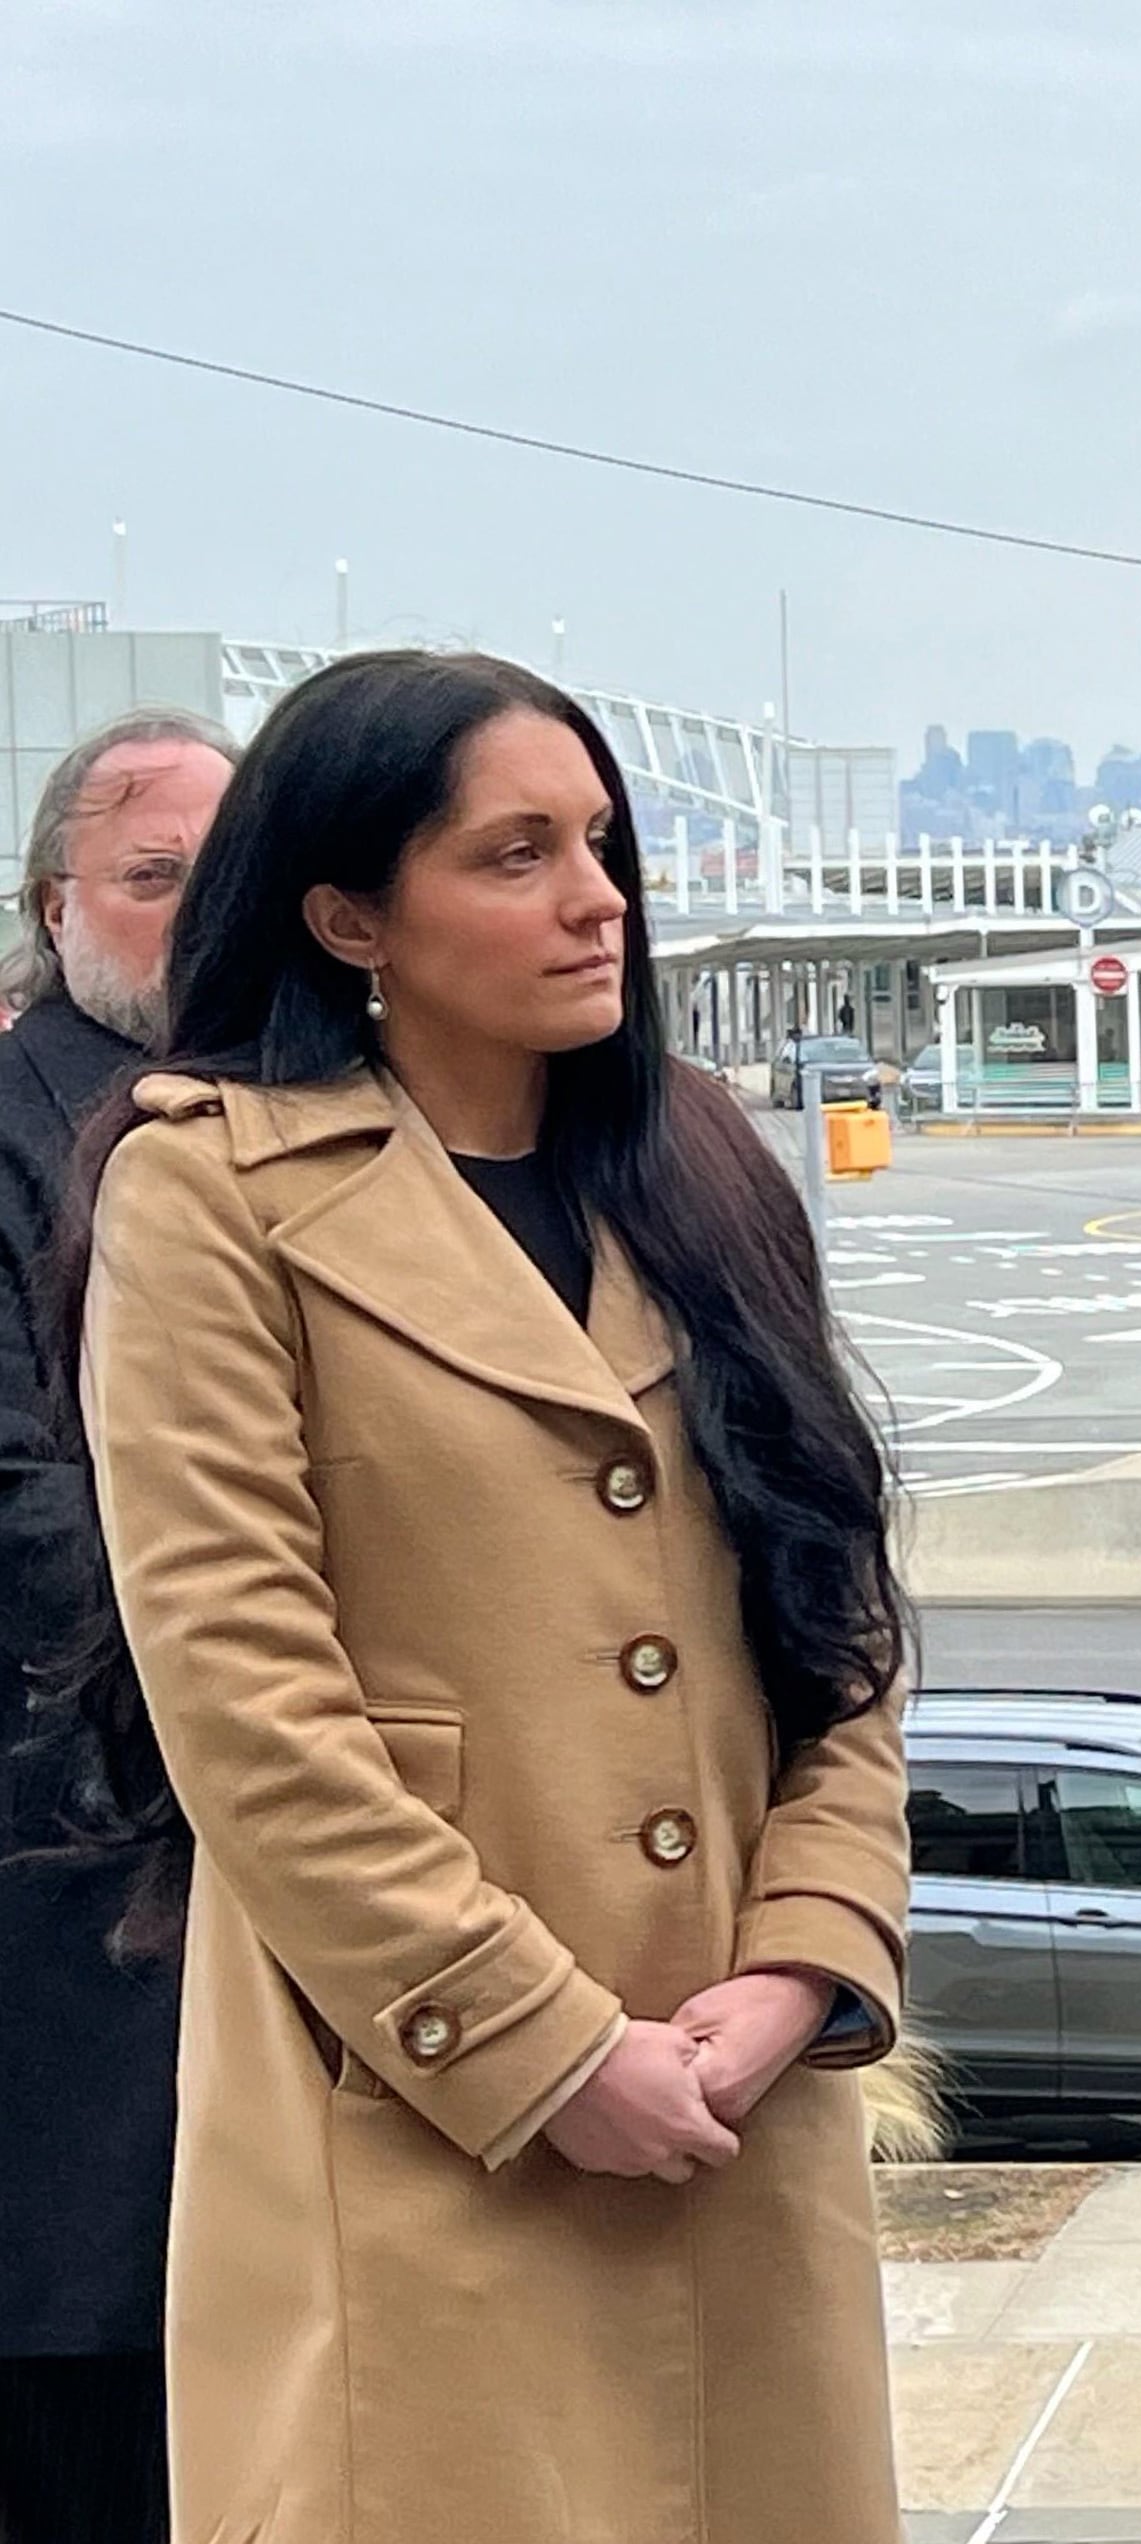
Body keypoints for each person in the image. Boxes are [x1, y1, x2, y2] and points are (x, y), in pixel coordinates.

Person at [50, 650, 914, 2544]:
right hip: (422, 2125)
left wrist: (804, 1962)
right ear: (351, 912)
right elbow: (245, 1705)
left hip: (735, 2109)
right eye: (514, 854)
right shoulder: (211, 1192)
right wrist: (542, 2047)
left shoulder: (692, 1164)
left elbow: (836, 1628)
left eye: (598, 841)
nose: (596, 896)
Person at [0, 707, 232, 2544]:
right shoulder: (34, 1138)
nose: (192, 913)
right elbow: (42, 1523)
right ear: (53, 900)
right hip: (88, 1889)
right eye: (154, 879)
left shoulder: (286, 1118)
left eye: (222, 878)